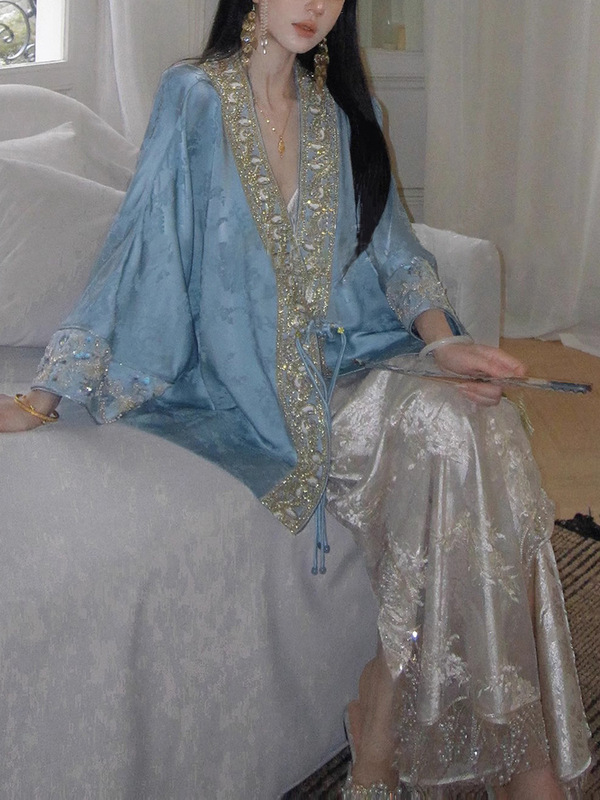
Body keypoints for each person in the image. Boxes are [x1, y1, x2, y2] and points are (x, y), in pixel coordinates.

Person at [0, 0, 591, 796]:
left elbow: (397, 253)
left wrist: (443, 342)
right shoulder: (194, 96)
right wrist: (42, 396)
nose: (315, 4)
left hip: (363, 366)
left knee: (475, 427)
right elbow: (137, 245)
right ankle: (444, 742)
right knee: (462, 442)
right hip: (249, 395)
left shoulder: (345, 112)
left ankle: (441, 735)